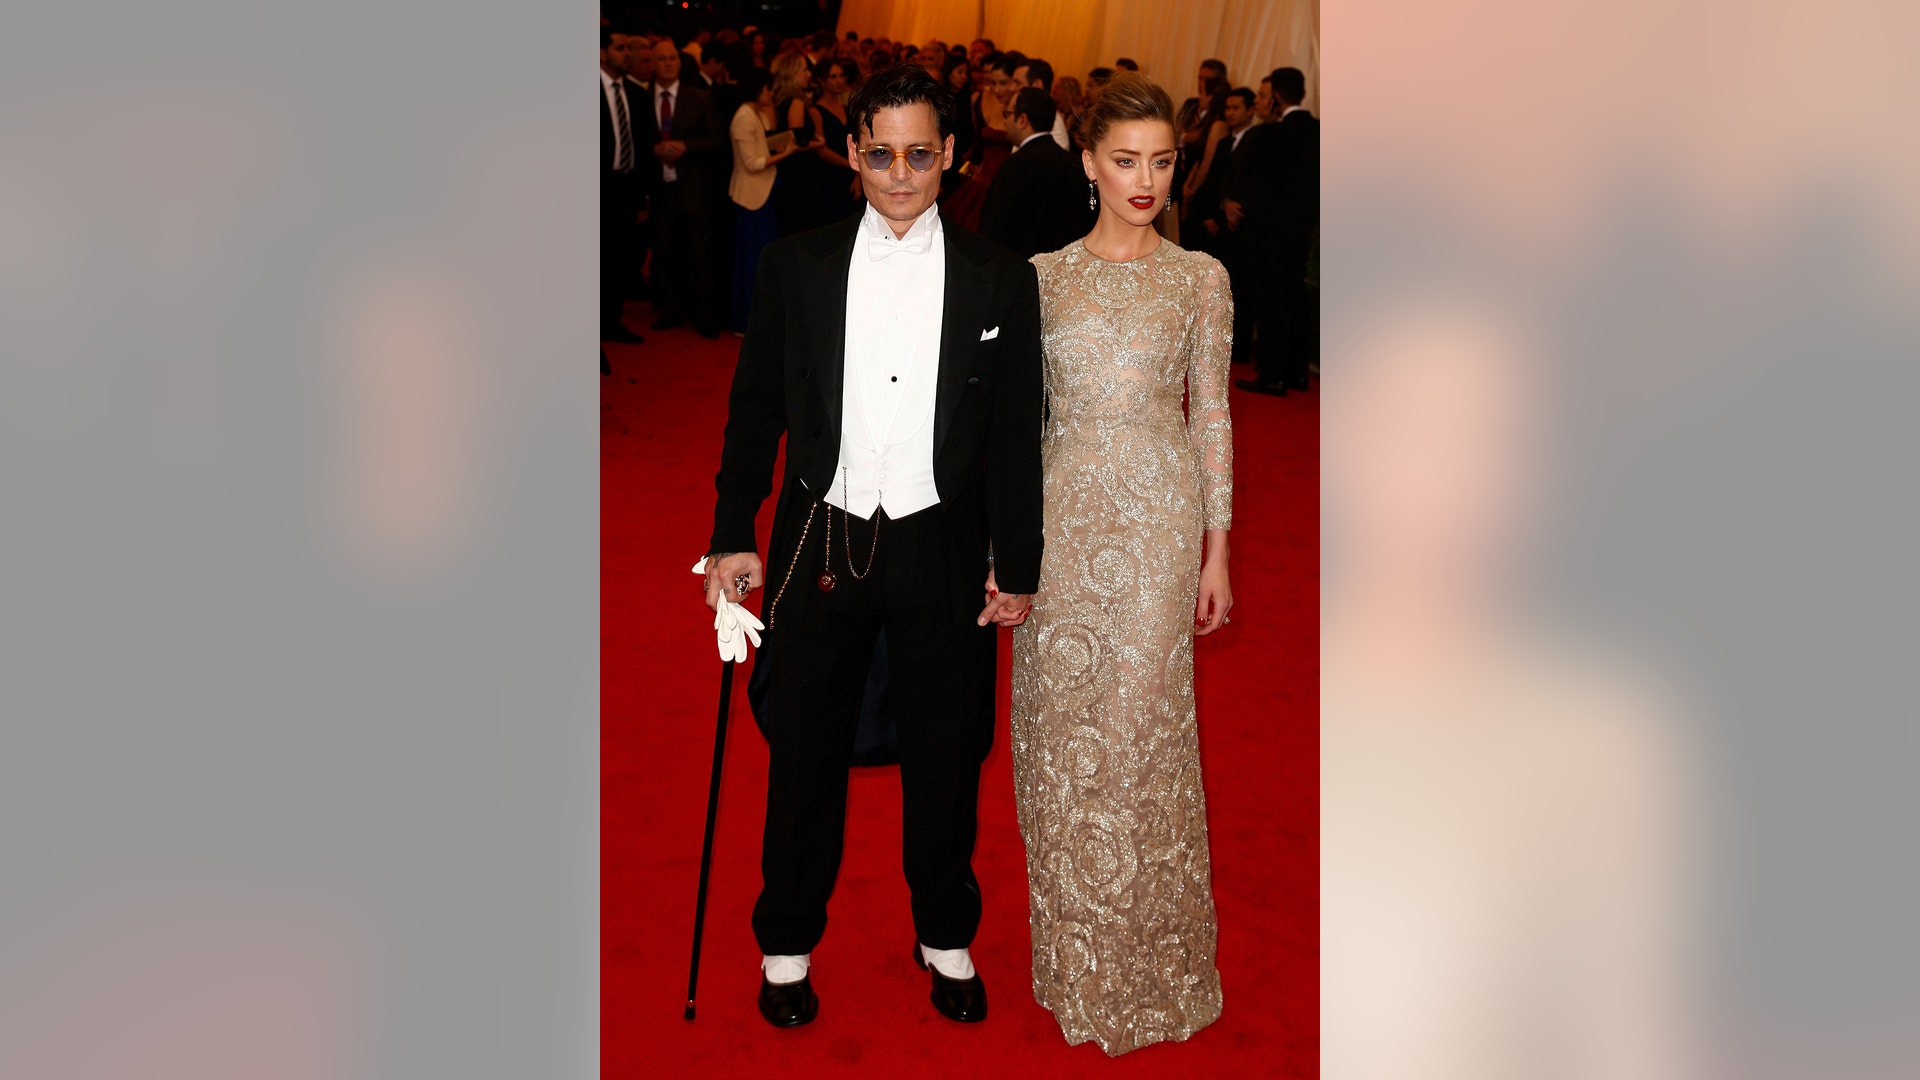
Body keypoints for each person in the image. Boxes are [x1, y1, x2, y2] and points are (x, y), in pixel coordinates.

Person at [703, 62, 1044, 1031]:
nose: (901, 175)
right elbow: (754, 410)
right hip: (822, 536)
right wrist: (731, 532)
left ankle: (945, 934)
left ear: (952, 155)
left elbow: (1016, 434)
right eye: (882, 154)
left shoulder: (999, 276)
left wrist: (1016, 560)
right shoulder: (796, 265)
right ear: (853, 153)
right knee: (804, 754)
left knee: (948, 752)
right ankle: (785, 944)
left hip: (943, 545)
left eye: (920, 155)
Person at [1010, 70, 1233, 1056]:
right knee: (1062, 743)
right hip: (1061, 523)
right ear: (1090, 165)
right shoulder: (1040, 277)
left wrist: (1218, 549)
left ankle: (1153, 967)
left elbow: (1212, 414)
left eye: (1164, 162)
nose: (1147, 182)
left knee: (1141, 739)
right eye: (1127, 161)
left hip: (1157, 530)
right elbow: (1019, 426)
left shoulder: (1200, 278)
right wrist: (1005, 548)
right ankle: (1078, 960)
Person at [1227, 67, 1318, 395]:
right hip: (1302, 230)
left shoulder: (1270, 134)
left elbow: (1249, 167)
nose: (1260, 102)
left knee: (1269, 302)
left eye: (1264, 96)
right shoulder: (1319, 131)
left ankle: (1271, 375)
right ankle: (1296, 373)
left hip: (1267, 232)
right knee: (1295, 299)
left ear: (1276, 98)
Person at [639, 38, 727, 338]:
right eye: (661, 59)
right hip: (659, 190)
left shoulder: (700, 97)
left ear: (679, 62)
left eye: (672, 58)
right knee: (664, 252)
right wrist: (654, 149)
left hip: (694, 189)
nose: (668, 64)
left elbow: (717, 140)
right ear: (652, 64)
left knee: (699, 253)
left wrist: (685, 146)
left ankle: (705, 316)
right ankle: (672, 310)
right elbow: (636, 141)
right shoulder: (641, 97)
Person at [729, 69, 811, 335]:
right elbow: (752, 163)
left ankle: (761, 321)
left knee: (763, 261)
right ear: (757, 89)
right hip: (751, 198)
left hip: (765, 194)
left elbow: (764, 145)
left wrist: (790, 143)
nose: (772, 93)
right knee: (751, 261)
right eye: (767, 88)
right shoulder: (743, 117)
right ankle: (744, 321)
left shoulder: (758, 113)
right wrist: (788, 152)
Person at [978, 88, 1094, 259]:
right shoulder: (1074, 164)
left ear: (1022, 120)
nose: (1005, 121)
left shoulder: (1015, 165)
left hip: (1019, 265)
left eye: (1007, 114)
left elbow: (993, 228)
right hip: (1063, 264)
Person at [600, 25, 647, 345]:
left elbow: (642, 147)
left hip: (625, 187)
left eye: (629, 48)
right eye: (620, 48)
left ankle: (610, 321)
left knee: (618, 257)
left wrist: (642, 197)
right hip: (594, 187)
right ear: (601, 53)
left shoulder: (635, 93)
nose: (627, 54)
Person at [940, 55, 1018, 230]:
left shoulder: (1020, 109)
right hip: (980, 179)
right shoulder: (979, 99)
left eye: (1003, 83)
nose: (997, 89)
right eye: (992, 82)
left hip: (1004, 181)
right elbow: (976, 141)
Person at [810, 58, 865, 224]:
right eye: (833, 76)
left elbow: (857, 141)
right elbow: (822, 150)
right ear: (821, 81)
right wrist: (852, 166)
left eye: (841, 75)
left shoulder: (847, 108)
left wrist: (857, 173)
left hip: (852, 173)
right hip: (829, 176)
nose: (839, 80)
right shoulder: (815, 111)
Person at [1010, 58, 1070, 149]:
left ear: (1037, 85)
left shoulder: (1051, 124)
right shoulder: (1030, 115)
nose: (1011, 88)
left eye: (1018, 83)